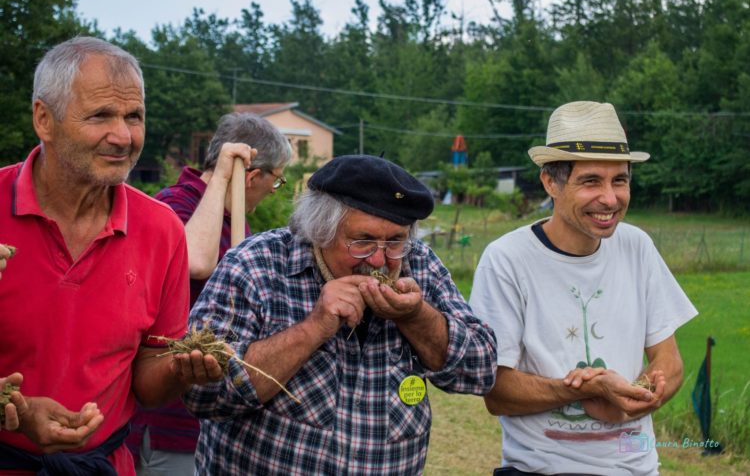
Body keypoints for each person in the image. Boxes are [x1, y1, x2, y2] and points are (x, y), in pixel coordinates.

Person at [182, 154, 498, 474]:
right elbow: (203, 395)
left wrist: (416, 317)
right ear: (320, 231)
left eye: (395, 241)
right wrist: (313, 328)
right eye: (362, 241)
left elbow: (481, 372)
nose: (378, 260)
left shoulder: (420, 264)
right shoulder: (256, 264)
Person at [0, 36, 223, 475]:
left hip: (103, 465)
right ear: (44, 119)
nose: (122, 136)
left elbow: (148, 382)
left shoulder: (161, 231)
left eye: (133, 116)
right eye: (101, 115)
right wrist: (11, 410)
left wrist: (182, 370)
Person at [470, 101, 698, 475]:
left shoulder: (636, 246)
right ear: (550, 182)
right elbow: (496, 393)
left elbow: (669, 363)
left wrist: (636, 394)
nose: (610, 199)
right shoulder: (507, 260)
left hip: (637, 467)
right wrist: (586, 389)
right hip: (541, 469)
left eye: (619, 180)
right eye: (591, 181)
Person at [128, 112, 292, 474]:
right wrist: (221, 175)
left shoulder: (235, 218)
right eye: (276, 181)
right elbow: (194, 263)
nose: (272, 191)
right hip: (170, 421)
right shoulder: (172, 204)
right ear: (252, 176)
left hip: (214, 417)